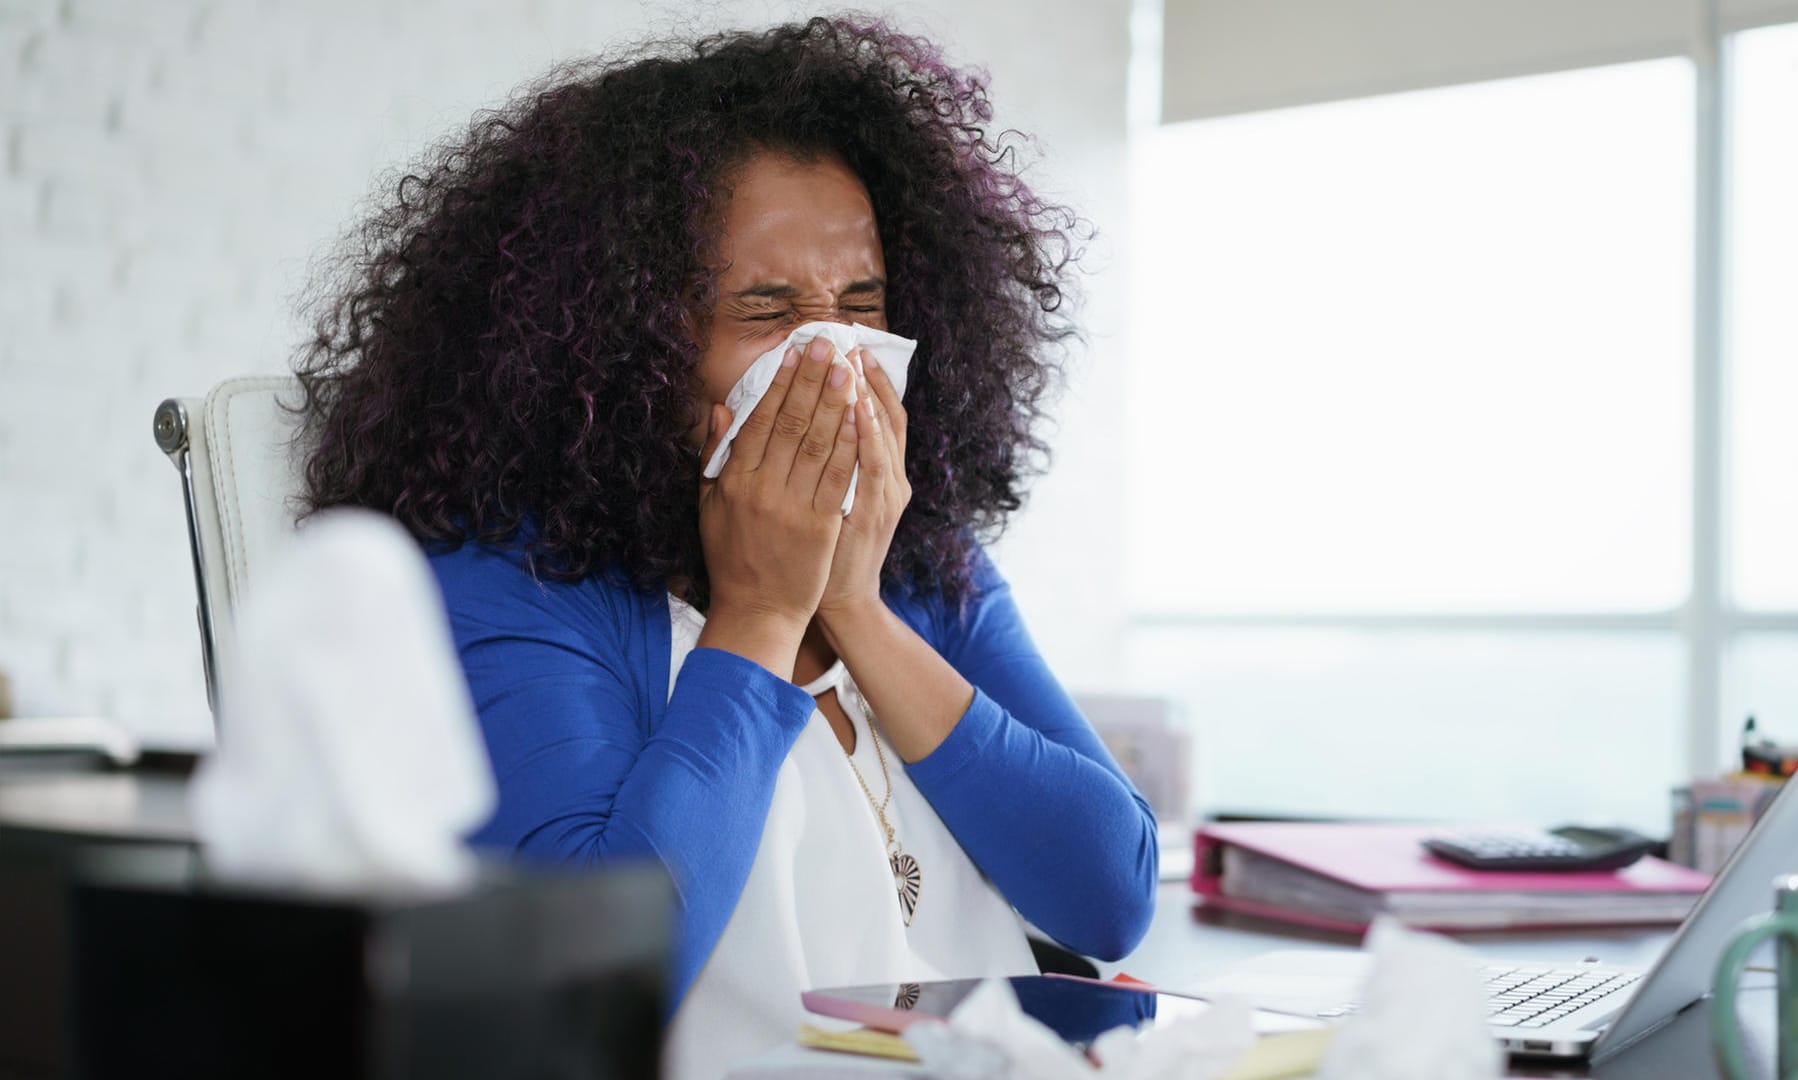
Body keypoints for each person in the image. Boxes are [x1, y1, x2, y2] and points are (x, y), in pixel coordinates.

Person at [290, 17, 1156, 1074]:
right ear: (623, 340)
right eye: (768, 309)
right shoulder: (507, 580)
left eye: (862, 304)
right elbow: (575, 999)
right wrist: (760, 613)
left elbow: (1112, 897)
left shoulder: (927, 562)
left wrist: (859, 609)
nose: (835, 356)